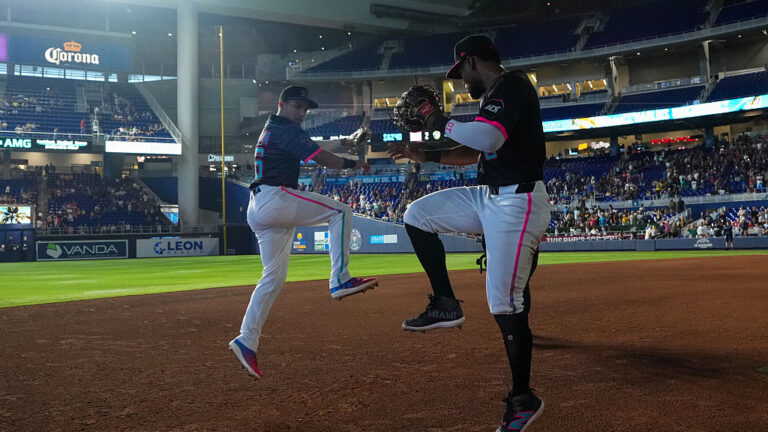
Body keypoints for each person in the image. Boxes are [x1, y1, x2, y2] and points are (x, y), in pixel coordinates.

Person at [387, 35, 550, 432]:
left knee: (504, 305)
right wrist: (425, 154)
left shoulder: (511, 84)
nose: (459, 79)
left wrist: (435, 121)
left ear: (473, 61)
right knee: (417, 214)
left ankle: (523, 398)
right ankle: (445, 302)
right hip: (489, 196)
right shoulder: (493, 95)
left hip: (518, 202)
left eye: (460, 70)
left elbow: (488, 137)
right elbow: (478, 150)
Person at [229, 85, 378, 379]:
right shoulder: (286, 128)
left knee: (273, 278)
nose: (301, 113)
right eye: (297, 107)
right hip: (276, 198)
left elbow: (313, 146)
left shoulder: (277, 128)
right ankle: (340, 279)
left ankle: (246, 340)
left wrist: (344, 141)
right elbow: (322, 158)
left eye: (305, 109)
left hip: (259, 207)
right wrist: (354, 163)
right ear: (282, 105)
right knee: (342, 211)